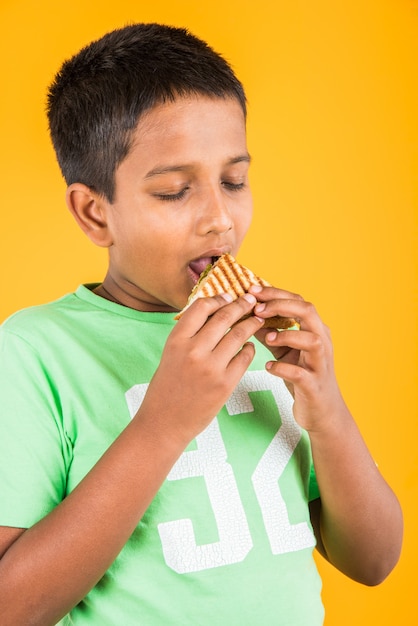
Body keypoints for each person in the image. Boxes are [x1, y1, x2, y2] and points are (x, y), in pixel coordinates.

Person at [0, 23, 403, 626]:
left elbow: (373, 562)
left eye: (234, 181)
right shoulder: (33, 353)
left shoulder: (269, 344)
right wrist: (163, 424)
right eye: (173, 191)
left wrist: (328, 412)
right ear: (94, 212)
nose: (219, 219)